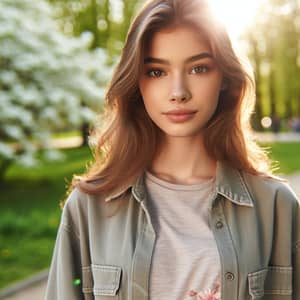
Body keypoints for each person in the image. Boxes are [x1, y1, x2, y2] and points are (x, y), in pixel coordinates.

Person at [45, 0, 300, 299]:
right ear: (136, 82)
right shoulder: (88, 209)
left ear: (224, 79)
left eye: (198, 68)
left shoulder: (276, 207)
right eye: (156, 72)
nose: (178, 92)